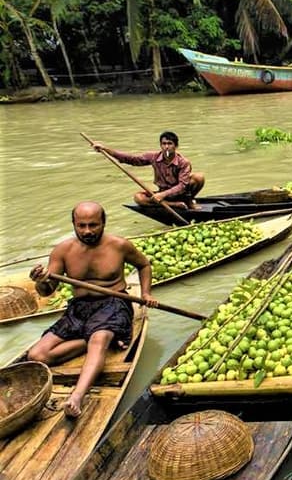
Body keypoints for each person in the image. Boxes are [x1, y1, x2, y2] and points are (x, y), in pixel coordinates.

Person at [27, 202, 157, 417]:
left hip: (113, 303)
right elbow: (47, 291)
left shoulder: (119, 245)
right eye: (82, 226)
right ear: (74, 224)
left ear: (104, 223)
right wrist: (40, 281)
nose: (87, 231)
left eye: (93, 225)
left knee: (100, 338)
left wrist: (146, 294)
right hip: (79, 309)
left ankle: (77, 396)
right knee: (37, 355)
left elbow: (144, 265)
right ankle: (92, 341)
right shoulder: (63, 250)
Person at [92, 131, 205, 210]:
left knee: (198, 177)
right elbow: (131, 159)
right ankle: (173, 205)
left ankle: (188, 202)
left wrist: (163, 195)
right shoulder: (153, 157)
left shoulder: (183, 162)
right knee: (138, 198)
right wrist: (105, 149)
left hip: (181, 193)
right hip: (163, 194)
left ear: (176, 146)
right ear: (160, 145)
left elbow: (182, 185)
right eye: (164, 144)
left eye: (169, 144)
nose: (166, 147)